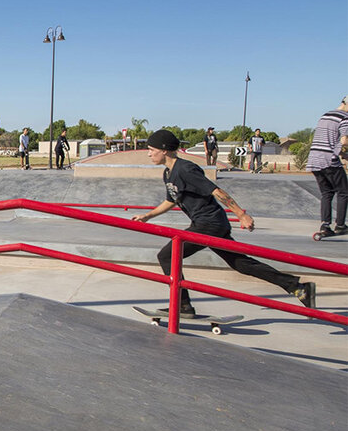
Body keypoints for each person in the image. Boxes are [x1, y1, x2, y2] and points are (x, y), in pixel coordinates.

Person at [132, 129, 315, 317]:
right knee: (240, 264)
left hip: (209, 224)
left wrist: (241, 214)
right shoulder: (168, 174)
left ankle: (183, 305)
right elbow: (171, 200)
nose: (148, 153)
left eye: (151, 149)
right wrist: (148, 216)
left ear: (164, 150)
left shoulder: (185, 169)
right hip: (209, 224)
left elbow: (216, 191)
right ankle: (297, 287)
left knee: (167, 256)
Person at [306, 96, 348, 237]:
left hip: (314, 159)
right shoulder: (344, 118)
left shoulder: (325, 116)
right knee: (343, 192)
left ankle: (325, 225)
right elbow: (344, 141)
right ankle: (341, 225)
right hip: (329, 160)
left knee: (327, 193)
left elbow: (327, 140)